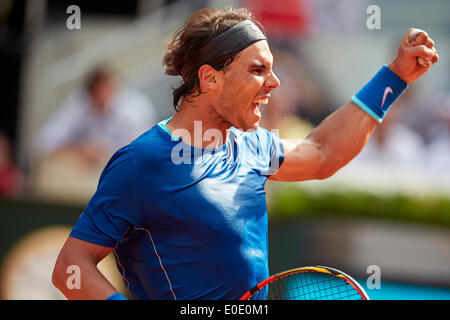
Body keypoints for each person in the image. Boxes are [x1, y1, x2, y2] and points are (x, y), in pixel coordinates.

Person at [52, 7, 438, 300]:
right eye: (258, 70)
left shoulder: (253, 147)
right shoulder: (141, 163)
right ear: (210, 78)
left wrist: (395, 77)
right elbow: (71, 266)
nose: (274, 82)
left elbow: (323, 152)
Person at [36, 65, 158, 167]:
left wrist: (105, 150)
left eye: (106, 91)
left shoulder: (135, 106)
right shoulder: (80, 103)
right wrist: (78, 148)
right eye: (97, 93)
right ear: (90, 93)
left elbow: (145, 146)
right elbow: (45, 140)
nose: (102, 97)